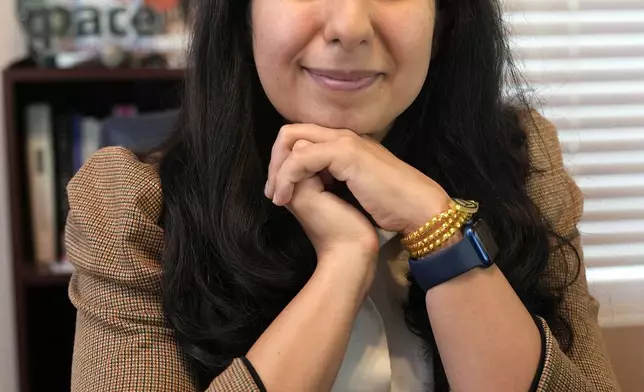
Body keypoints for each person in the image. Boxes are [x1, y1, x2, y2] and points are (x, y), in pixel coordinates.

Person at [66, 0, 622, 391]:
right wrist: (343, 262)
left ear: (445, 17)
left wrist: (437, 226)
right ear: (242, 14)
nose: (350, 25)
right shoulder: (131, 208)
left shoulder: (524, 166)